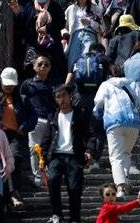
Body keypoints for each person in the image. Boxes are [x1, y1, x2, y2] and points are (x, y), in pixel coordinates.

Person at [94, 68, 140, 200]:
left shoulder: (105, 84)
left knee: (116, 156)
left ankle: (120, 187)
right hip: (133, 123)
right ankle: (125, 182)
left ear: (110, 74)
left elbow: (98, 102)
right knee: (126, 153)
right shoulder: (131, 83)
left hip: (114, 122)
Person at [0, 67, 36, 209]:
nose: (9, 87)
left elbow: (33, 117)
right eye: (6, 84)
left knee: (14, 158)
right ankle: (4, 197)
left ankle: (14, 192)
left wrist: (23, 128)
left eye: (11, 85)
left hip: (14, 135)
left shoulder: (22, 99)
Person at [46, 84, 93, 223]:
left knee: (74, 189)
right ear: (55, 99)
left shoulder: (81, 114)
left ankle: (74, 218)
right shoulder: (53, 116)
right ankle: (57, 215)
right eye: (58, 97)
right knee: (53, 181)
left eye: (64, 95)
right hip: (56, 155)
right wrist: (42, 156)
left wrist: (89, 150)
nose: (62, 99)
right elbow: (47, 138)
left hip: (74, 156)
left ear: (70, 96)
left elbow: (90, 134)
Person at [20, 54, 56, 186]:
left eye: (46, 64)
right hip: (35, 120)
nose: (43, 66)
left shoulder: (53, 84)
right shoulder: (27, 84)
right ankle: (37, 176)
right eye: (40, 64)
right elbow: (22, 102)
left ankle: (47, 172)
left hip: (51, 121)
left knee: (49, 148)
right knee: (34, 149)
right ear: (34, 67)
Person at [64, 0, 104, 67]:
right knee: (72, 60)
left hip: (90, 34)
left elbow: (102, 28)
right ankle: (73, 79)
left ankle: (87, 78)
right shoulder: (70, 9)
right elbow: (64, 26)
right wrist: (64, 33)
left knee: (88, 59)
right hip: (75, 35)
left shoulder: (96, 8)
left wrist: (90, 22)